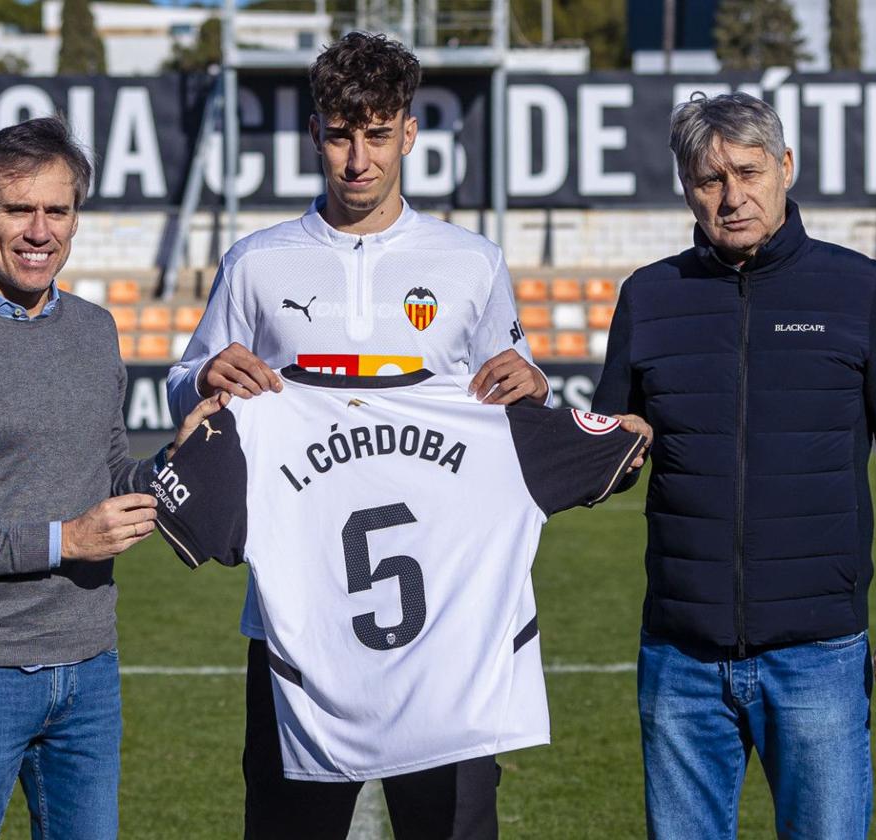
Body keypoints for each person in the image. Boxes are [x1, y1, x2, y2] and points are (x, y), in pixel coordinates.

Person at [167, 31, 567, 839]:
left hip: (450, 626)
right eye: (342, 134)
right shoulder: (257, 262)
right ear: (316, 133)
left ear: (409, 134)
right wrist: (204, 380)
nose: (359, 159)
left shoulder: (471, 261)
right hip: (296, 618)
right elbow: (185, 381)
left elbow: (515, 391)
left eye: (377, 134)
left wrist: (536, 382)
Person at [592, 91, 876, 839]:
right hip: (680, 659)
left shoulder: (860, 289)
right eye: (709, 180)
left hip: (818, 657)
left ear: (786, 166)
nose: (732, 197)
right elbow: (610, 454)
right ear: (686, 186)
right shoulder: (649, 297)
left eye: (749, 172)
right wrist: (600, 445)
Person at [0, 116, 215, 839]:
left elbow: (112, 470)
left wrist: (177, 456)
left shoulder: (94, 329)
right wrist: (65, 541)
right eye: (18, 209)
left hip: (89, 672)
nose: (39, 230)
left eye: (57, 210)